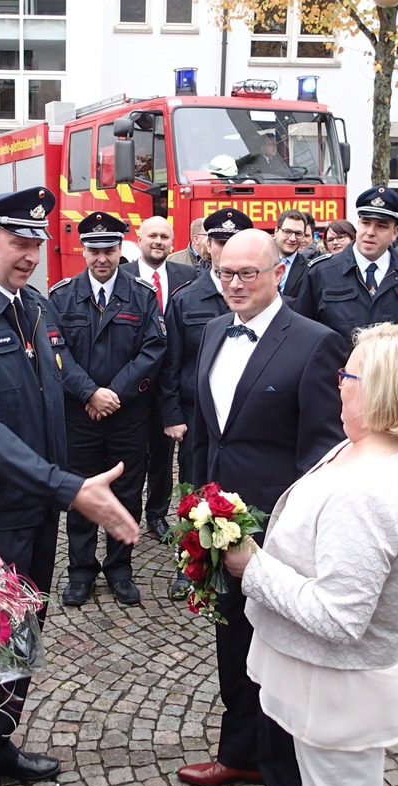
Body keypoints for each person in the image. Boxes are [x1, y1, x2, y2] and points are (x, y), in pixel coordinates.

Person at [0, 186, 138, 786]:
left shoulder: (33, 307)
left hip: (37, 505)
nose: (31, 255)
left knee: (21, 639)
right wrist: (71, 488)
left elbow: (50, 400)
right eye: (19, 242)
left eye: (38, 243)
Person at [223, 322, 398, 786]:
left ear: (380, 393)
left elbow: (340, 615)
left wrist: (250, 567)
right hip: (311, 677)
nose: (337, 383)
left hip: (335, 695)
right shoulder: (396, 442)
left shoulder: (367, 491)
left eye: (346, 377)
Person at [179, 228, 347, 786]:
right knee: (232, 645)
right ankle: (240, 753)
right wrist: (199, 505)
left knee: (278, 654)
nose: (234, 284)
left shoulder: (316, 341)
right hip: (219, 524)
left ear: (279, 272)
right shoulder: (209, 332)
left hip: (281, 531)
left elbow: (322, 450)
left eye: (248, 272)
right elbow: (205, 432)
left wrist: (297, 533)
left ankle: (284, 778)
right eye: (225, 271)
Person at [49, 212, 167, 605]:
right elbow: (55, 351)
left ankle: (120, 568)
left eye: (110, 250)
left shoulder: (142, 296)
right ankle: (80, 571)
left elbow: (153, 350)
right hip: (79, 415)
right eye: (94, 250)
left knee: (128, 492)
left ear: (121, 250)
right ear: (83, 251)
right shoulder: (62, 296)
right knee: (81, 493)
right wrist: (88, 394)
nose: (102, 258)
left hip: (127, 415)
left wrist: (113, 393)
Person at [159, 208, 245, 599]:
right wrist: (173, 415)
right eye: (219, 242)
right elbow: (170, 362)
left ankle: (240, 560)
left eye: (233, 242)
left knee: (240, 486)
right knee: (193, 490)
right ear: (206, 246)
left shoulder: (258, 295)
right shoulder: (186, 298)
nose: (225, 249)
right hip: (197, 415)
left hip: (246, 412)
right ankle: (189, 563)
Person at [120, 216, 197, 542]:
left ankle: (157, 514)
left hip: (171, 382)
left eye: (165, 236)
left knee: (164, 457)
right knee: (131, 454)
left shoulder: (188, 275)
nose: (158, 241)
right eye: (152, 235)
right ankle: (124, 514)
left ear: (171, 240)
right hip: (131, 380)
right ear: (140, 238)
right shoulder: (121, 275)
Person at [294, 186, 398, 346]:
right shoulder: (322, 272)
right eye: (366, 223)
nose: (370, 232)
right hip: (335, 369)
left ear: (395, 232)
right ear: (358, 224)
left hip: (391, 370)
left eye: (381, 226)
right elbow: (301, 333)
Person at [274, 209, 311, 302]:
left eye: (298, 234)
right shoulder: (260, 263)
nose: (292, 238)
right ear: (276, 231)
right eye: (287, 232)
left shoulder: (311, 269)